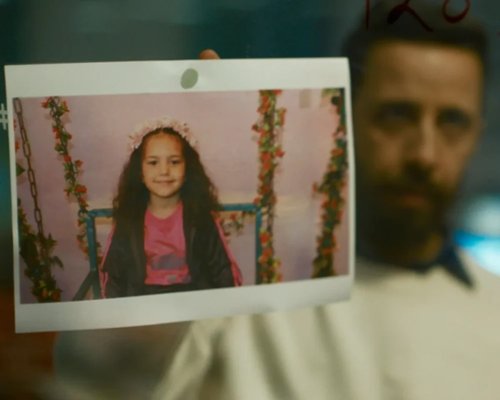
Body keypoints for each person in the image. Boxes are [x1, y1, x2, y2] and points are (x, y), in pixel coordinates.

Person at [52, 1, 500, 399]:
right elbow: (98, 377)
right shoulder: (247, 295)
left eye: (452, 122)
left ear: (477, 133)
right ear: (339, 118)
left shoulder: (493, 314)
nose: (424, 154)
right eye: (396, 115)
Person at [100, 116, 242, 297]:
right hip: (143, 302)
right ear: (140, 172)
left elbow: (223, 271)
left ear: (187, 169)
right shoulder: (128, 220)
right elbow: (113, 276)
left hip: (194, 299)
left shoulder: (202, 218)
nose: (164, 171)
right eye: (153, 162)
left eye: (174, 162)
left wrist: (224, 306)